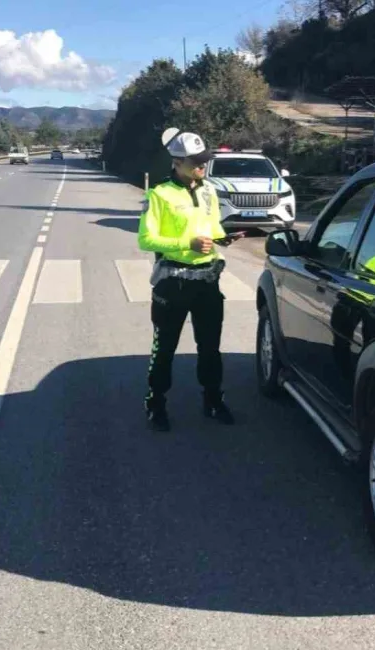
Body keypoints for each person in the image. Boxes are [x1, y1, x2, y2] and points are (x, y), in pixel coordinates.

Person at [137, 128, 245, 431]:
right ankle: (155, 403)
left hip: (207, 281)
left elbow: (211, 228)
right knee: (165, 348)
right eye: (196, 162)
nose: (202, 166)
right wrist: (188, 244)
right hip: (173, 282)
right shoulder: (158, 194)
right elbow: (147, 239)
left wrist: (223, 238)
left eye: (204, 160)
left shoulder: (209, 190)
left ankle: (213, 400)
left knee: (210, 347)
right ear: (177, 161)